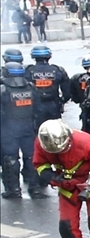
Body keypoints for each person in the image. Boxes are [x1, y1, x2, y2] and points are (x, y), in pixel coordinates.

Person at [1, 62, 46, 199]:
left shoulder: (3, 90)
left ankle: (14, 190)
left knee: (11, 159)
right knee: (31, 157)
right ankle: (35, 188)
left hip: (9, 128)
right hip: (28, 127)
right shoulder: (30, 87)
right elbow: (38, 109)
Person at [25, 45, 71, 130]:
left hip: (35, 107)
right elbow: (67, 93)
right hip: (53, 106)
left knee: (38, 132)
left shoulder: (28, 71)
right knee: (55, 131)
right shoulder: (58, 70)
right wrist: (61, 101)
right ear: (49, 56)